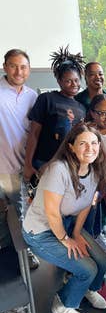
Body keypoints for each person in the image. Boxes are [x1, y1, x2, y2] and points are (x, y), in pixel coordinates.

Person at [22, 122, 106, 313]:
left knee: (102, 261)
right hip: (41, 232)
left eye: (94, 143)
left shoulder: (94, 168)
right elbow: (52, 213)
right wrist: (66, 239)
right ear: (71, 146)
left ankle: (88, 289)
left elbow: (86, 204)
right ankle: (62, 304)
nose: (90, 149)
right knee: (87, 269)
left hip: (66, 223)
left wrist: (77, 233)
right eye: (83, 144)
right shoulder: (58, 169)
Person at [0, 48, 39, 269]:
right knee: (3, 218)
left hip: (22, 169)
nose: (18, 71)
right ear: (5, 66)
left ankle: (27, 255)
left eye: (23, 67)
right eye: (13, 66)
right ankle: (8, 258)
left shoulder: (32, 96)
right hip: (1, 168)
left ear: (29, 69)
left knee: (23, 214)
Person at [23, 46, 86, 182]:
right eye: (68, 81)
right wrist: (28, 164)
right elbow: (33, 133)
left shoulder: (81, 107)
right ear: (59, 81)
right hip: (44, 163)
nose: (73, 84)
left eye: (76, 80)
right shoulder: (47, 99)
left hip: (71, 166)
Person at [84, 94, 106, 253]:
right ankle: (89, 244)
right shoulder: (88, 132)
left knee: (97, 208)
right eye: (103, 113)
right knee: (90, 210)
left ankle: (97, 235)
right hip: (90, 181)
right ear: (92, 113)